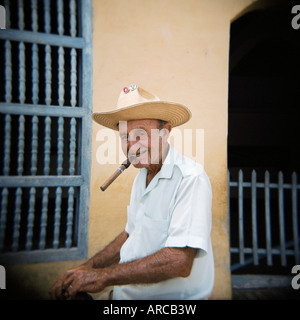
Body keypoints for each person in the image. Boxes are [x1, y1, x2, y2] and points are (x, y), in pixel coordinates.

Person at [50, 85, 214, 300]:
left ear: (165, 133)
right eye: (125, 137)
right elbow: (131, 233)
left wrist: (104, 277)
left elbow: (179, 261)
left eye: (140, 135)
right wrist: (87, 268)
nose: (131, 146)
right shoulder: (142, 177)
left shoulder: (189, 178)